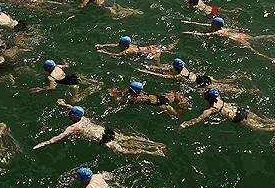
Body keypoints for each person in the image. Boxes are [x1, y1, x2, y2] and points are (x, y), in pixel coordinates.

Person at [33, 99, 167, 156]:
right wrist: (63, 104)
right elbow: (72, 108)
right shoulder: (83, 117)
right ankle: (154, 144)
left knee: (124, 150)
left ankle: (153, 152)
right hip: (106, 131)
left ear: (73, 116)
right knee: (127, 138)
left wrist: (42, 144)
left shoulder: (73, 127)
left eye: (70, 113)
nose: (69, 114)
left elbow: (57, 138)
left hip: (101, 139)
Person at [181, 88, 275, 132]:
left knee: (260, 127)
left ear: (208, 98)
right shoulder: (218, 98)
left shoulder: (211, 110)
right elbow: (213, 92)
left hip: (237, 117)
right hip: (241, 110)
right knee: (262, 120)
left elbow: (198, 119)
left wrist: (185, 124)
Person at [137, 57, 249, 95]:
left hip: (199, 83)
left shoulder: (179, 75)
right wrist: (153, 67)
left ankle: (246, 91)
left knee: (223, 88)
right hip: (202, 77)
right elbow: (166, 68)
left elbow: (165, 77)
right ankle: (236, 79)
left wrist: (149, 72)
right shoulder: (184, 69)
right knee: (220, 82)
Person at [182, 17, 275, 58]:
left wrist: (190, 33)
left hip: (237, 39)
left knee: (252, 50)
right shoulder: (222, 28)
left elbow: (205, 35)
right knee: (256, 38)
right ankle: (273, 37)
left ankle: (269, 58)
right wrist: (189, 22)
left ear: (215, 25)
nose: (210, 23)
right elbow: (201, 24)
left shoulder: (218, 32)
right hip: (240, 35)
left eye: (212, 23)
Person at [32, 59, 103, 102]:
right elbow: (66, 65)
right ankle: (98, 83)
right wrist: (65, 62)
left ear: (46, 69)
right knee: (83, 80)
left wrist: (41, 89)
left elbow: (52, 87)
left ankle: (93, 89)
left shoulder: (51, 77)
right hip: (74, 77)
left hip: (73, 85)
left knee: (73, 100)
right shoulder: (58, 66)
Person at [109, 81, 189, 117]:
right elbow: (127, 90)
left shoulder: (137, 99)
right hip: (162, 98)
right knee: (173, 94)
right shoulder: (140, 92)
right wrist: (117, 91)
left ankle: (182, 107)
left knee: (177, 115)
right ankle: (182, 102)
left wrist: (114, 95)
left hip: (162, 105)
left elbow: (122, 103)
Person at [96, 35, 174, 61]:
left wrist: (104, 52)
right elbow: (116, 45)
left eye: (120, 43)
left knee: (157, 64)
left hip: (151, 52)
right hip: (149, 47)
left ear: (124, 45)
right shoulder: (129, 44)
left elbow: (116, 55)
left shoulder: (129, 50)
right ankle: (174, 43)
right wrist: (103, 45)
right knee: (166, 47)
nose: (118, 44)